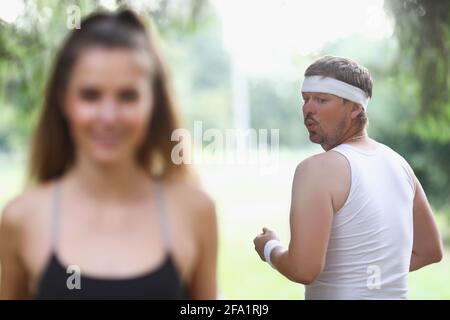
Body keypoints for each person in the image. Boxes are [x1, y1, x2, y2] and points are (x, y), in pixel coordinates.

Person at [0, 9, 218, 300]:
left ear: (153, 103)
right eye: (90, 95)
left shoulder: (195, 211)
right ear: (64, 101)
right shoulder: (21, 218)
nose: (109, 116)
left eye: (128, 96)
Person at [253, 55, 443, 299]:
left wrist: (269, 247)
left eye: (322, 100)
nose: (308, 108)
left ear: (355, 108)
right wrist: (366, 275)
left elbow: (303, 269)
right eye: (306, 98)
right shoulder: (399, 164)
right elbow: (429, 250)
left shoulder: (316, 170)